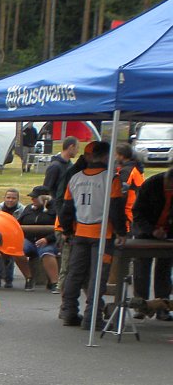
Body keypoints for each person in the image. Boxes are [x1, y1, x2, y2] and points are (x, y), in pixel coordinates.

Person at [57, 140, 126, 329]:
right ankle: (92, 318)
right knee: (98, 277)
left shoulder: (75, 178)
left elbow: (66, 209)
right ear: (106, 156)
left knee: (74, 274)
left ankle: (69, 311)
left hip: (80, 231)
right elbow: (116, 208)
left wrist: (67, 230)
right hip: (102, 233)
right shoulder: (111, 179)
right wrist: (121, 231)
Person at [129, 168, 172, 321]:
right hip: (145, 231)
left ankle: (162, 307)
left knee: (164, 270)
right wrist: (151, 230)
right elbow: (137, 212)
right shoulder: (151, 185)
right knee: (141, 268)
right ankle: (141, 306)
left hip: (168, 234)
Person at [18, 185, 60, 292]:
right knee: (17, 251)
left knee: (47, 252)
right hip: (29, 240)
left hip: (48, 241)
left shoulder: (55, 209)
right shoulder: (28, 208)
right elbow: (19, 223)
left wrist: (47, 239)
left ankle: (55, 282)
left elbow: (60, 228)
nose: (32, 199)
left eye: (35, 197)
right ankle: (29, 278)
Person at [0, 188, 24, 289]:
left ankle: (8, 279)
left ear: (17, 199)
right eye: (8, 197)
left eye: (13, 198)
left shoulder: (22, 210)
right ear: (4, 198)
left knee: (10, 255)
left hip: (15, 237)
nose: (10, 200)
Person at [42, 136, 79, 203]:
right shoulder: (55, 166)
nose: (78, 151)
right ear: (71, 147)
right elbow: (46, 189)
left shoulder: (71, 166)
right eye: (77, 148)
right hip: (56, 205)